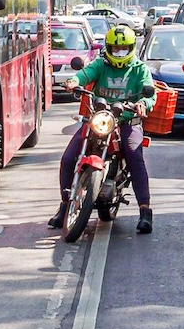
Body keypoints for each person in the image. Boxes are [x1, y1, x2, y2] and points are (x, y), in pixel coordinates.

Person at [53, 23, 154, 234]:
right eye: (115, 48)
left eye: (124, 48)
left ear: (132, 48)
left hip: (126, 122)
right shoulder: (100, 64)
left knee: (135, 158)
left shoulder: (139, 69)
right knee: (69, 157)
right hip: (98, 119)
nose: (119, 52)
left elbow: (149, 93)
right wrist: (73, 81)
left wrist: (143, 103)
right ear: (108, 48)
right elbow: (85, 74)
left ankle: (145, 211)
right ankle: (65, 205)